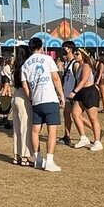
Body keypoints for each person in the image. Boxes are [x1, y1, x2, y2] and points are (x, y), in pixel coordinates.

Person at [20, 37, 64, 172]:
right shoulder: (47, 59)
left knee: (35, 130)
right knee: (52, 130)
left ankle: (38, 159)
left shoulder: (25, 65)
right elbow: (55, 77)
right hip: (49, 98)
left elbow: (25, 85)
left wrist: (31, 98)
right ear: (41, 47)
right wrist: (61, 95)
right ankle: (49, 161)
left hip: (36, 100)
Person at [67, 50, 103, 151]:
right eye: (75, 54)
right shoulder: (78, 66)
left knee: (93, 118)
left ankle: (97, 141)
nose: (75, 55)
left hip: (89, 92)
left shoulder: (86, 66)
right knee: (75, 114)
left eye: (77, 54)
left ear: (83, 55)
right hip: (80, 92)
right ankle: (83, 137)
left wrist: (74, 92)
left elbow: (83, 80)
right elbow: (78, 81)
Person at [9, 47, 35, 166]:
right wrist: (31, 98)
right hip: (23, 97)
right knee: (25, 127)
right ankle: (24, 156)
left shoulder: (16, 66)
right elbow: (26, 85)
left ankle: (16, 155)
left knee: (17, 128)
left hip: (15, 95)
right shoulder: (25, 67)